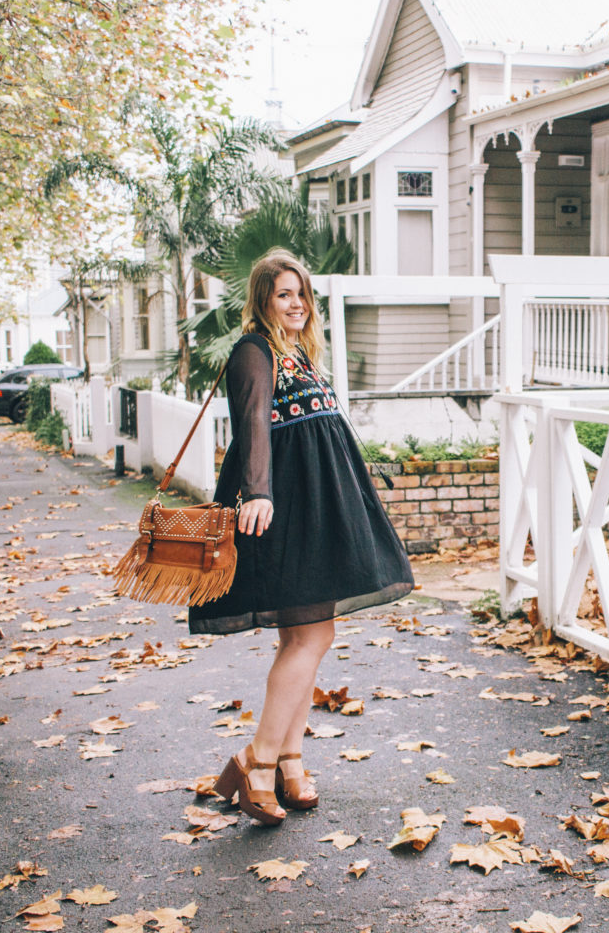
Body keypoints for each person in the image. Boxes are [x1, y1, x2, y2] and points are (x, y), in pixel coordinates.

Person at [190, 248, 414, 826]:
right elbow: (253, 423)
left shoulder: (301, 353)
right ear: (264, 297)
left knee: (310, 636)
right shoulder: (253, 349)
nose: (296, 303)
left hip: (319, 509)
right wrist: (258, 492)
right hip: (284, 510)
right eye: (284, 293)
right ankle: (257, 761)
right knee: (307, 640)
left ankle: (288, 761)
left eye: (302, 294)